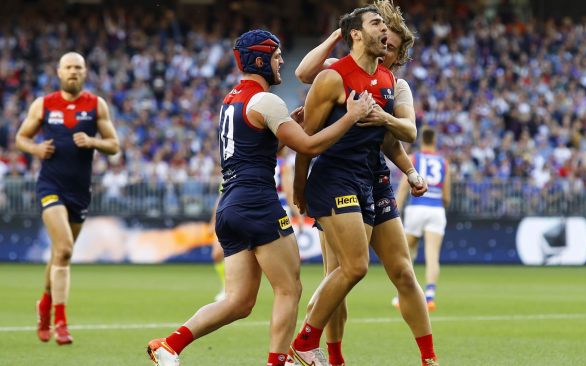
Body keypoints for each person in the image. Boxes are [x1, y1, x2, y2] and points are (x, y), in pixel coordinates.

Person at [145, 29, 374, 366]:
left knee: (238, 301)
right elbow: (308, 147)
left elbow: (257, 147)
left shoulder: (231, 100)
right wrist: (352, 117)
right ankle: (277, 362)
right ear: (260, 59)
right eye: (276, 55)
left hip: (230, 204)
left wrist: (286, 127)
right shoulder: (267, 101)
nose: (281, 60)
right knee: (289, 289)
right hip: (257, 200)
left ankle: (170, 345)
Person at [291, 2, 438, 365]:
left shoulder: (391, 83)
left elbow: (394, 138)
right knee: (347, 270)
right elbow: (305, 135)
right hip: (336, 176)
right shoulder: (335, 74)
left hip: (375, 179)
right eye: (379, 28)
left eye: (391, 37)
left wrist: (411, 172)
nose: (385, 37)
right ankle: (314, 347)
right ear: (358, 34)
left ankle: (430, 358)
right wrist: (299, 189)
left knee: (399, 270)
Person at [15, 52, 121, 345]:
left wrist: (93, 142)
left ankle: (45, 304)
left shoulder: (96, 104)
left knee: (61, 254)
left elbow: (114, 145)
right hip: (50, 186)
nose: (73, 72)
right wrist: (36, 150)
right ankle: (60, 322)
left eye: (78, 67)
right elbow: (21, 137)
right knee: (62, 249)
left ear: (85, 72)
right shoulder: (45, 104)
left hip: (79, 191)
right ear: (59, 72)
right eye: (68, 67)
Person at [396, 127, 451, 311]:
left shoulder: (414, 159)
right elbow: (447, 198)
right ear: (434, 141)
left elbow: (404, 187)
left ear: (421, 141)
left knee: (406, 252)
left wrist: (396, 208)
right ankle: (430, 296)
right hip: (436, 209)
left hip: (416, 208)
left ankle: (402, 294)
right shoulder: (443, 163)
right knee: (432, 255)